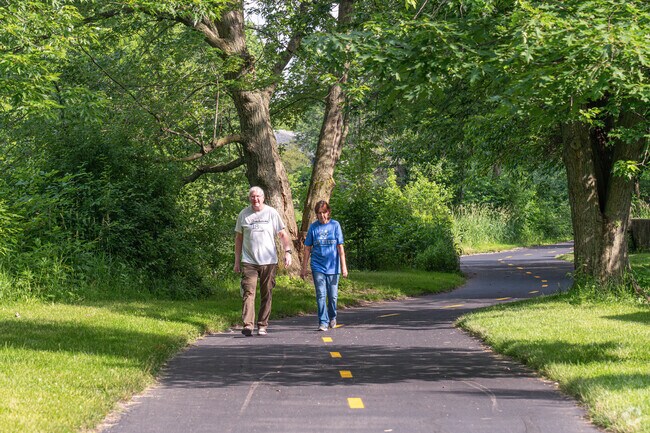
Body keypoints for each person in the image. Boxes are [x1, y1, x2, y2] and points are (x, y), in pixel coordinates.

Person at [234, 186, 293, 336]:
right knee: (249, 291)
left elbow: (282, 234)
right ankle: (248, 325)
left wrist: (287, 252)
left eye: (258, 196)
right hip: (249, 261)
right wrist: (236, 261)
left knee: (267, 292)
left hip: (268, 260)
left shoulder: (271, 213)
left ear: (263, 197)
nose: (256, 199)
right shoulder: (244, 214)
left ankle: (262, 325)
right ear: (249, 198)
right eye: (253, 197)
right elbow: (239, 239)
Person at [300, 200, 348, 331]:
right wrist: (304, 268)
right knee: (321, 294)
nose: (321, 215)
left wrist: (344, 267)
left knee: (332, 296)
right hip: (317, 266)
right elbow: (307, 248)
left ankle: (332, 316)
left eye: (324, 212)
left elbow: (340, 247)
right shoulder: (313, 227)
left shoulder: (335, 225)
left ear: (329, 212)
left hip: (333, 266)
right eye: (319, 213)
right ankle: (322, 321)